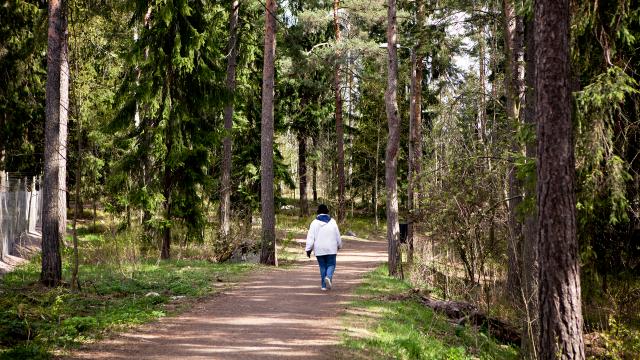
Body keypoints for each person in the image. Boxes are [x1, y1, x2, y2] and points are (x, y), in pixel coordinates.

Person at [305, 204, 342, 291]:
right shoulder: (333, 221)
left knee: (322, 267)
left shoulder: (314, 223)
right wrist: (339, 245)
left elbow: (310, 237)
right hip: (331, 249)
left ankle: (323, 286)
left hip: (319, 249)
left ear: (318, 212)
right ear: (327, 212)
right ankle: (328, 277)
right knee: (331, 265)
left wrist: (308, 249)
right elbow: (337, 235)